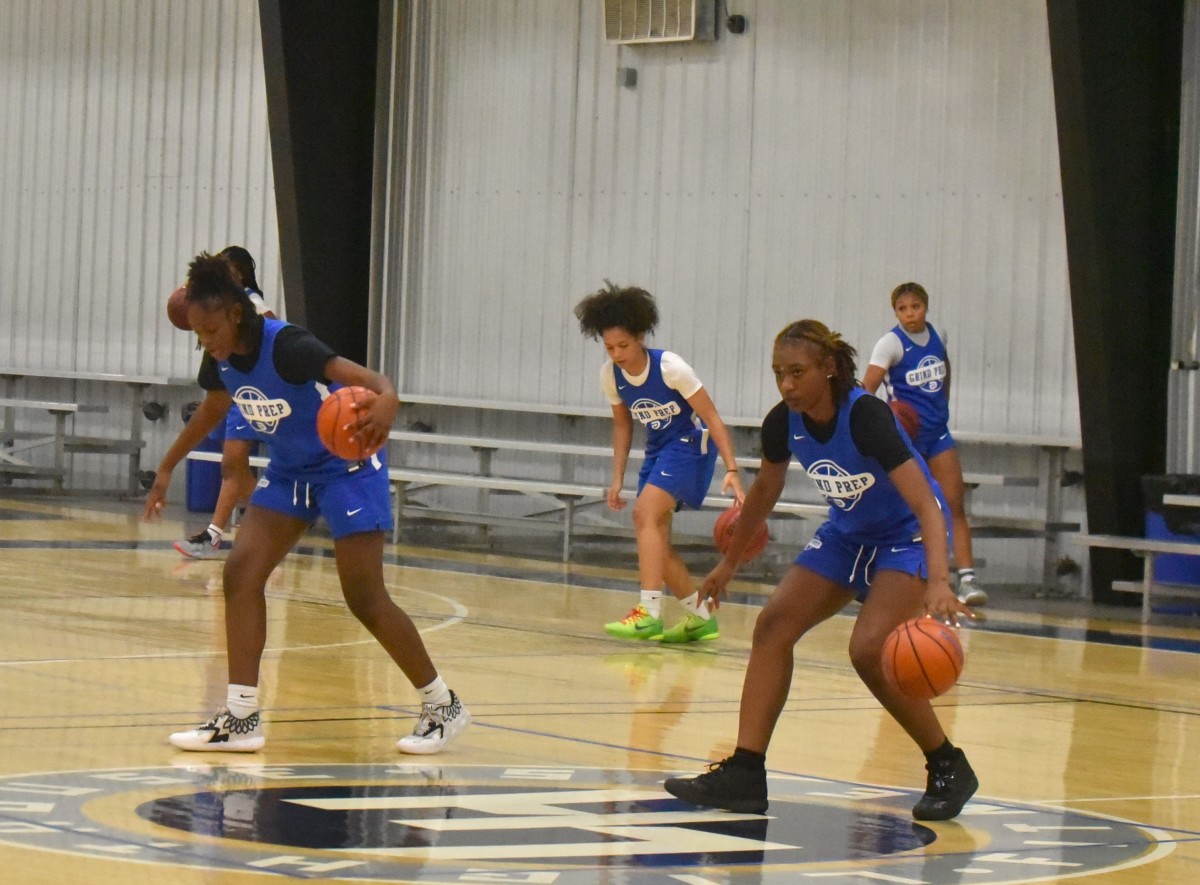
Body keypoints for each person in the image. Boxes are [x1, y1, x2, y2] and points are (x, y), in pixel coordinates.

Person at [145, 251, 470, 754]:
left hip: (348, 469)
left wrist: (386, 398)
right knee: (240, 576)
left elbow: (373, 381)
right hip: (291, 472)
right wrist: (167, 466)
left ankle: (443, 704)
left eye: (209, 331)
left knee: (364, 597)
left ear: (235, 313)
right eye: (198, 336)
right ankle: (241, 717)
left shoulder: (290, 346)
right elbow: (212, 409)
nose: (206, 343)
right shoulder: (221, 356)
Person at [664, 319, 978, 821]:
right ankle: (745, 773)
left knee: (869, 648)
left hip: (906, 536)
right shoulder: (781, 422)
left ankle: (947, 763)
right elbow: (764, 494)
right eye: (778, 373)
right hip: (848, 533)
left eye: (797, 372)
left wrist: (940, 580)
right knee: (772, 627)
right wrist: (728, 563)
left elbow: (927, 504)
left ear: (828, 369)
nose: (786, 384)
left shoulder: (867, 417)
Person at [574, 282, 745, 643]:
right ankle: (699, 617)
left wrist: (731, 469)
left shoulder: (670, 367)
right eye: (609, 347)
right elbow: (622, 426)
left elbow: (712, 417)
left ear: (640, 337)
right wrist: (617, 478)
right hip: (658, 449)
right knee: (655, 542)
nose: (617, 354)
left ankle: (648, 613)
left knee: (643, 515)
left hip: (690, 444)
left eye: (623, 345)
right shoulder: (611, 375)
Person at [861, 283, 987, 607]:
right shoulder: (890, 343)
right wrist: (886, 422)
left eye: (914, 307)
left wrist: (942, 404)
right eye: (902, 309)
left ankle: (968, 580)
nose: (909, 314)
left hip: (938, 433)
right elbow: (865, 390)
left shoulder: (937, 334)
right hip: (907, 440)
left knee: (954, 504)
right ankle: (878, 572)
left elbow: (945, 370)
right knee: (905, 510)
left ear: (925, 307)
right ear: (895, 312)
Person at [175, 246, 272, 560]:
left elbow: (270, 327)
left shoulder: (249, 301)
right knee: (233, 468)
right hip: (231, 394)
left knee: (232, 466)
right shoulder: (216, 304)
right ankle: (262, 528)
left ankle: (221, 534)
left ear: (240, 274)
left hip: (248, 395)